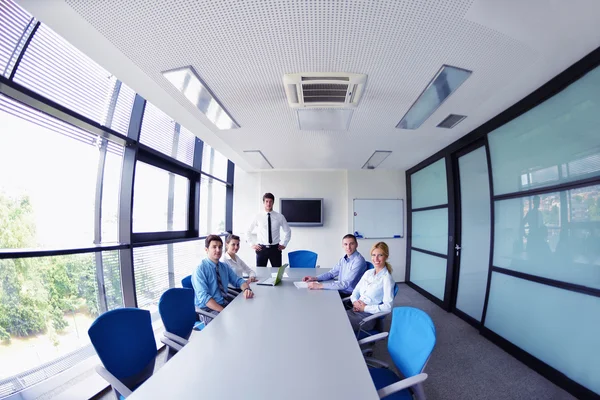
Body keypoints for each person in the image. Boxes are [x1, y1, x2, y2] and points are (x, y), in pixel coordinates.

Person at [192, 235, 254, 324]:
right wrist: (224, 311)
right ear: (206, 249)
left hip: (223, 304)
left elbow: (237, 280)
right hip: (208, 310)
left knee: (246, 315)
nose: (218, 250)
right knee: (232, 323)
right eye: (214, 247)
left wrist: (246, 289)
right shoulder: (200, 270)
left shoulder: (224, 267)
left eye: (220, 247)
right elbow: (205, 298)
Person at [346, 242, 395, 332]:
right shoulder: (368, 273)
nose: (376, 259)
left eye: (380, 255)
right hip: (355, 310)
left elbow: (388, 307)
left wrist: (364, 308)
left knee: (337, 324)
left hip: (366, 317)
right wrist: (355, 302)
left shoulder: (386, 279)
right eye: (373, 255)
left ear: (386, 257)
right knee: (333, 318)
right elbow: (356, 291)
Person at [302, 234, 366, 298]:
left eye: (351, 244)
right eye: (345, 244)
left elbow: (345, 284)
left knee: (317, 297)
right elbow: (331, 273)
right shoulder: (343, 259)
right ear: (342, 246)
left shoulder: (358, 261)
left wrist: (319, 285)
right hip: (339, 289)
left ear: (356, 245)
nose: (348, 247)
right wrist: (315, 278)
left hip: (348, 294)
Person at [246, 192, 291, 268]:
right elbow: (248, 231)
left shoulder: (280, 216)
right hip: (261, 249)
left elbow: (288, 231)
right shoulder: (258, 216)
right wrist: (251, 244)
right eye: (266, 201)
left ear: (273, 202)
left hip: (275, 249)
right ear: (263, 202)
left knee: (277, 273)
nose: (268, 203)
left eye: (270, 201)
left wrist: (284, 244)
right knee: (260, 273)